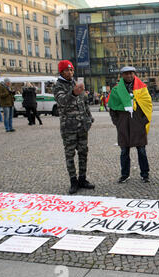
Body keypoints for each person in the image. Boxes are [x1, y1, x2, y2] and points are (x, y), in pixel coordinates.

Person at [53, 60, 95, 194]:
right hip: (69, 128)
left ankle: (82, 179)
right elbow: (62, 101)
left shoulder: (75, 83)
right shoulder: (58, 86)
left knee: (83, 153)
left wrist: (89, 118)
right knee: (70, 155)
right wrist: (73, 93)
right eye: (67, 70)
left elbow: (84, 102)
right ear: (62, 72)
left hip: (82, 126)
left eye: (71, 70)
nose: (70, 72)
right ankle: (73, 181)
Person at [107, 66, 153, 183]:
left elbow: (148, 104)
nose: (129, 76)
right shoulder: (116, 90)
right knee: (124, 151)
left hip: (138, 123)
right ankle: (125, 174)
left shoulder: (142, 88)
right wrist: (117, 122)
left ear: (134, 74)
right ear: (122, 75)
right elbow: (112, 108)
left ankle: (145, 173)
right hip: (123, 124)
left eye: (131, 73)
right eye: (126, 74)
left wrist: (143, 121)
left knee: (141, 150)